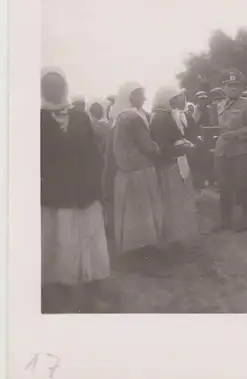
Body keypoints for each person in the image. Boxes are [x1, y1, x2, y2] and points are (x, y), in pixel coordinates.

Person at [41, 68, 110, 313]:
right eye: (48, 85)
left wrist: (94, 184)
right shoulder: (36, 118)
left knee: (88, 236)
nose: (54, 90)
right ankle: (63, 285)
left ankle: (92, 281)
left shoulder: (80, 116)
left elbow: (94, 154)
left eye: (58, 85)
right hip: (56, 193)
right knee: (61, 238)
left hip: (84, 190)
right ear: (41, 89)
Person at [111, 82, 163, 258]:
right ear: (131, 96)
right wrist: (156, 147)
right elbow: (147, 146)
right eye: (141, 95)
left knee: (130, 213)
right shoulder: (132, 117)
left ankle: (132, 250)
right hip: (140, 170)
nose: (145, 98)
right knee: (143, 212)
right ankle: (144, 250)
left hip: (126, 170)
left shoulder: (119, 116)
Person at [150, 86, 198, 246]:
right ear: (170, 99)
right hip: (170, 166)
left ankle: (176, 239)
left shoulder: (164, 115)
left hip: (173, 163)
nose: (182, 99)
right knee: (173, 205)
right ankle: (173, 241)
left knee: (175, 204)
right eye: (178, 97)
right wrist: (184, 148)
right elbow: (163, 147)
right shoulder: (161, 118)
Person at [214, 70, 247, 232]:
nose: (233, 89)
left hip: (241, 152)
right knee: (224, 188)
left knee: (243, 187)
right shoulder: (219, 105)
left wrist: (235, 134)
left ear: (241, 88)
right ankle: (225, 221)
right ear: (223, 88)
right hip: (222, 152)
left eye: (236, 86)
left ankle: (244, 221)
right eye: (229, 86)